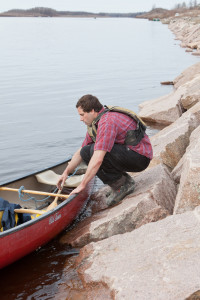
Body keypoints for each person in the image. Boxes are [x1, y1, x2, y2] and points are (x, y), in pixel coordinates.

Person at [57, 94, 153, 206]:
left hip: (140, 158)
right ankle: (123, 181)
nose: (80, 119)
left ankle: (121, 186)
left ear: (92, 111)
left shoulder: (107, 122)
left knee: (96, 152)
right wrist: (66, 173)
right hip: (130, 154)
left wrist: (82, 185)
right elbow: (81, 151)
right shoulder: (97, 121)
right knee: (86, 151)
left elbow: (98, 159)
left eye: (82, 115)